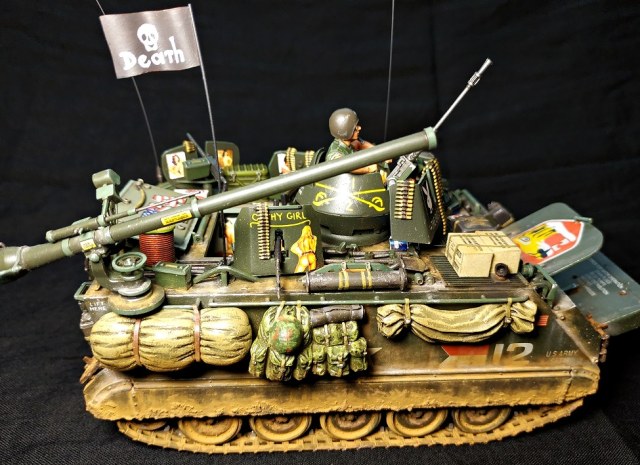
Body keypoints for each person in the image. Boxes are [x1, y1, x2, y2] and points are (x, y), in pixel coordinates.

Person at [326, 108, 378, 175]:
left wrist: (380, 153)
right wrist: (368, 169)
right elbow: (341, 166)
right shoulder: (334, 153)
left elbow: (361, 144)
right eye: (355, 128)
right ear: (345, 132)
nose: (359, 128)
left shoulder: (350, 141)